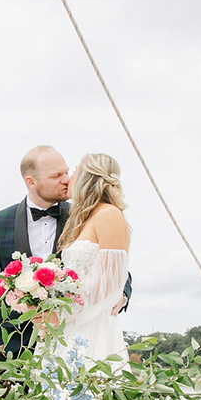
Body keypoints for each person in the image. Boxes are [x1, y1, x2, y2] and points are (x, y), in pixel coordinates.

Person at [0, 145, 132, 341]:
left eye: (67, 172)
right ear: (32, 182)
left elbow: (112, 267)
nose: (66, 179)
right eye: (56, 176)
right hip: (11, 343)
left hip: (70, 332)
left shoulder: (84, 216)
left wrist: (120, 295)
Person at [58, 152, 131, 364]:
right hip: (68, 327)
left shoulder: (109, 215)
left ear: (86, 176)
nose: (69, 177)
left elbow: (111, 283)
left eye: (74, 170)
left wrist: (63, 313)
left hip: (92, 328)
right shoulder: (83, 220)